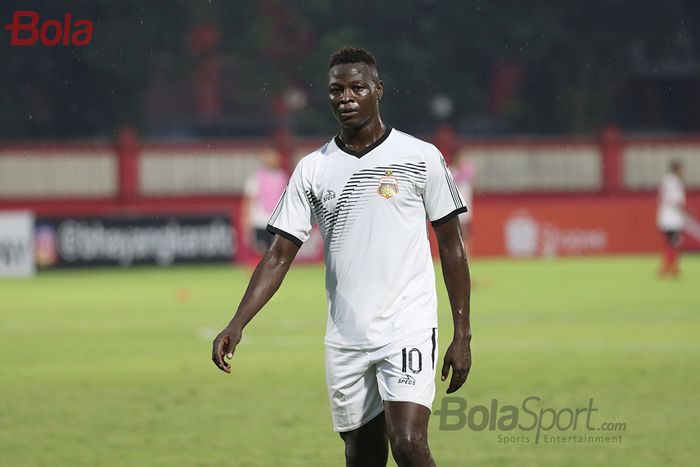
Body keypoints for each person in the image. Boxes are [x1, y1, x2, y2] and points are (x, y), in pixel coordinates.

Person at [212, 47, 472, 467]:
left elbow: (451, 245)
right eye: (336, 90)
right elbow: (279, 254)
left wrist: (462, 334)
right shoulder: (313, 169)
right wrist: (237, 322)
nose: (345, 97)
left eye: (356, 88)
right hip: (346, 335)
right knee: (362, 454)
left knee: (407, 442)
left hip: (407, 325)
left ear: (378, 90)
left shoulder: (420, 157)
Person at [242, 150, 288, 257]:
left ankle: (269, 273)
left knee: (274, 251)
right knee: (260, 250)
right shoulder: (257, 177)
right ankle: (259, 273)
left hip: (276, 221)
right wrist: (246, 219)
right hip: (260, 221)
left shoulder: (283, 177)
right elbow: (249, 199)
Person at [656, 160, 687, 278]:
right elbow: (673, 199)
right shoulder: (672, 181)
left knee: (672, 243)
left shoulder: (669, 180)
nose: (683, 171)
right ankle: (667, 268)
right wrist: (685, 209)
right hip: (671, 219)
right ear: (676, 169)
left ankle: (672, 267)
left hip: (668, 217)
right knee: (672, 243)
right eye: (682, 169)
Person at [451, 152, 476, 255]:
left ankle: (467, 254)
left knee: (466, 234)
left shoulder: (467, 170)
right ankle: (457, 254)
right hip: (455, 207)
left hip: (466, 207)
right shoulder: (452, 171)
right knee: (456, 234)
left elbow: (472, 180)